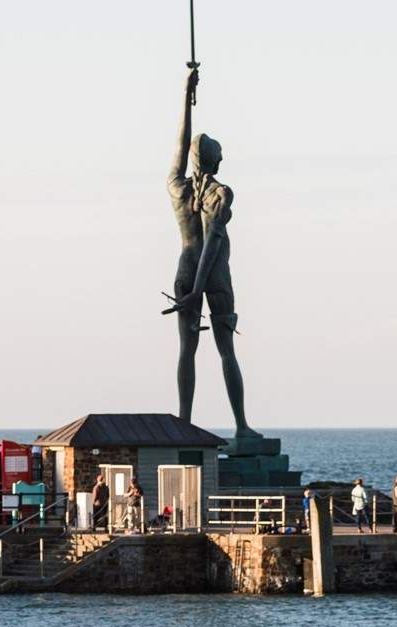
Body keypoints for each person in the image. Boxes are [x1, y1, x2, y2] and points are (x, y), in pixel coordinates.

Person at [165, 67, 250, 436]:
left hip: (185, 270)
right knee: (226, 350)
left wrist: (186, 93)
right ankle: (242, 427)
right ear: (215, 161)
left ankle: (184, 421)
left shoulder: (177, 188)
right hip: (212, 276)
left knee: (187, 349)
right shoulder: (221, 193)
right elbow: (213, 241)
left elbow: (179, 145)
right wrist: (201, 289)